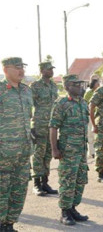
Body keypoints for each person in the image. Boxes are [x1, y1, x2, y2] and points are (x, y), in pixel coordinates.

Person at [49, 74, 89, 226]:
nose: (79, 87)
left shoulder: (83, 103)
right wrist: (54, 149)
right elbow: (53, 127)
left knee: (80, 180)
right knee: (68, 181)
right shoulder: (62, 103)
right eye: (75, 84)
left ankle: (73, 208)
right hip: (68, 151)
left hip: (81, 150)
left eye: (79, 84)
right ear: (66, 87)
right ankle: (65, 212)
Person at [0, 57, 33, 232]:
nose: (22, 71)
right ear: (6, 70)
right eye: (17, 67)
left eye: (23, 67)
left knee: (19, 189)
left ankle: (9, 224)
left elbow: (28, 118)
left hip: (23, 150)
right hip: (3, 152)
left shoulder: (26, 91)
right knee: (2, 190)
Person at [29, 61, 59, 196]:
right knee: (38, 155)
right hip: (40, 124)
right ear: (42, 71)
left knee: (48, 154)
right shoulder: (35, 86)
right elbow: (29, 106)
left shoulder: (53, 86)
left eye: (52, 69)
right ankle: (36, 184)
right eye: (48, 69)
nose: (51, 71)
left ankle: (45, 182)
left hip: (52, 125)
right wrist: (31, 127)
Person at [83, 77, 100, 158]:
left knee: (96, 135)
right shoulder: (88, 93)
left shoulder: (100, 92)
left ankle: (96, 151)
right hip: (90, 115)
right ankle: (91, 152)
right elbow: (85, 104)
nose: (99, 85)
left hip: (97, 116)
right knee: (90, 134)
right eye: (97, 83)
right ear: (93, 84)